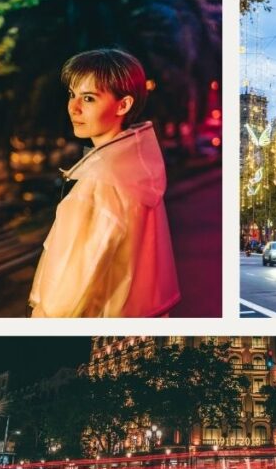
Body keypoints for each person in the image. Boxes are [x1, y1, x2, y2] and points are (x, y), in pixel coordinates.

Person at [29, 49, 180, 317]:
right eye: (72, 95)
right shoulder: (137, 167)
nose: (73, 108)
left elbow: (68, 289)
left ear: (123, 105)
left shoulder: (103, 181)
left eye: (88, 98)